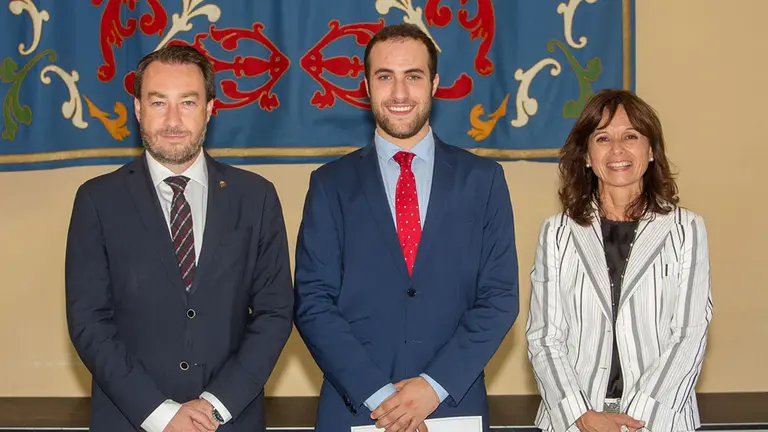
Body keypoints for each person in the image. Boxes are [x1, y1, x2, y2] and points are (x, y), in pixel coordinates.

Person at [293, 23, 519, 432]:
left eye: (413, 76)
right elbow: (313, 303)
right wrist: (380, 396)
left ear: (434, 83)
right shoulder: (329, 184)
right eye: (385, 77)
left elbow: (499, 299)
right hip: (357, 409)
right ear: (366, 86)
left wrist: (433, 387)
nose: (399, 93)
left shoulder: (482, 180)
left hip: (452, 407)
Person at [65, 45, 294, 432]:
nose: (173, 120)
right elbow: (90, 322)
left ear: (210, 109)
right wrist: (161, 414)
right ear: (138, 109)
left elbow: (274, 314)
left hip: (229, 420)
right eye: (158, 103)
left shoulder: (256, 197)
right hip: (131, 420)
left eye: (188, 102)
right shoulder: (97, 200)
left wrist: (214, 408)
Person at [526, 89, 712, 432]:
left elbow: (689, 334)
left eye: (631, 136)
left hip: (659, 420)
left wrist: (636, 419)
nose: (617, 150)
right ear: (586, 155)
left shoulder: (686, 229)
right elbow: (544, 337)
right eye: (602, 138)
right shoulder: (556, 233)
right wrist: (583, 415)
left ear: (651, 150)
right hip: (576, 422)